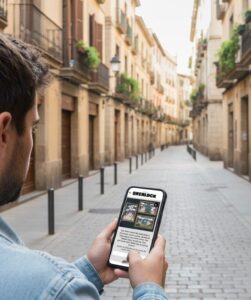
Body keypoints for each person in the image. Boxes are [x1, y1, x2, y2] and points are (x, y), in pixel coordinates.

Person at [0, 34, 168, 299]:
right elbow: (48, 290)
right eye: (34, 126)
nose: (33, 139)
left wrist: (90, 271)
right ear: (3, 133)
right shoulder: (51, 286)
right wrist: (150, 286)